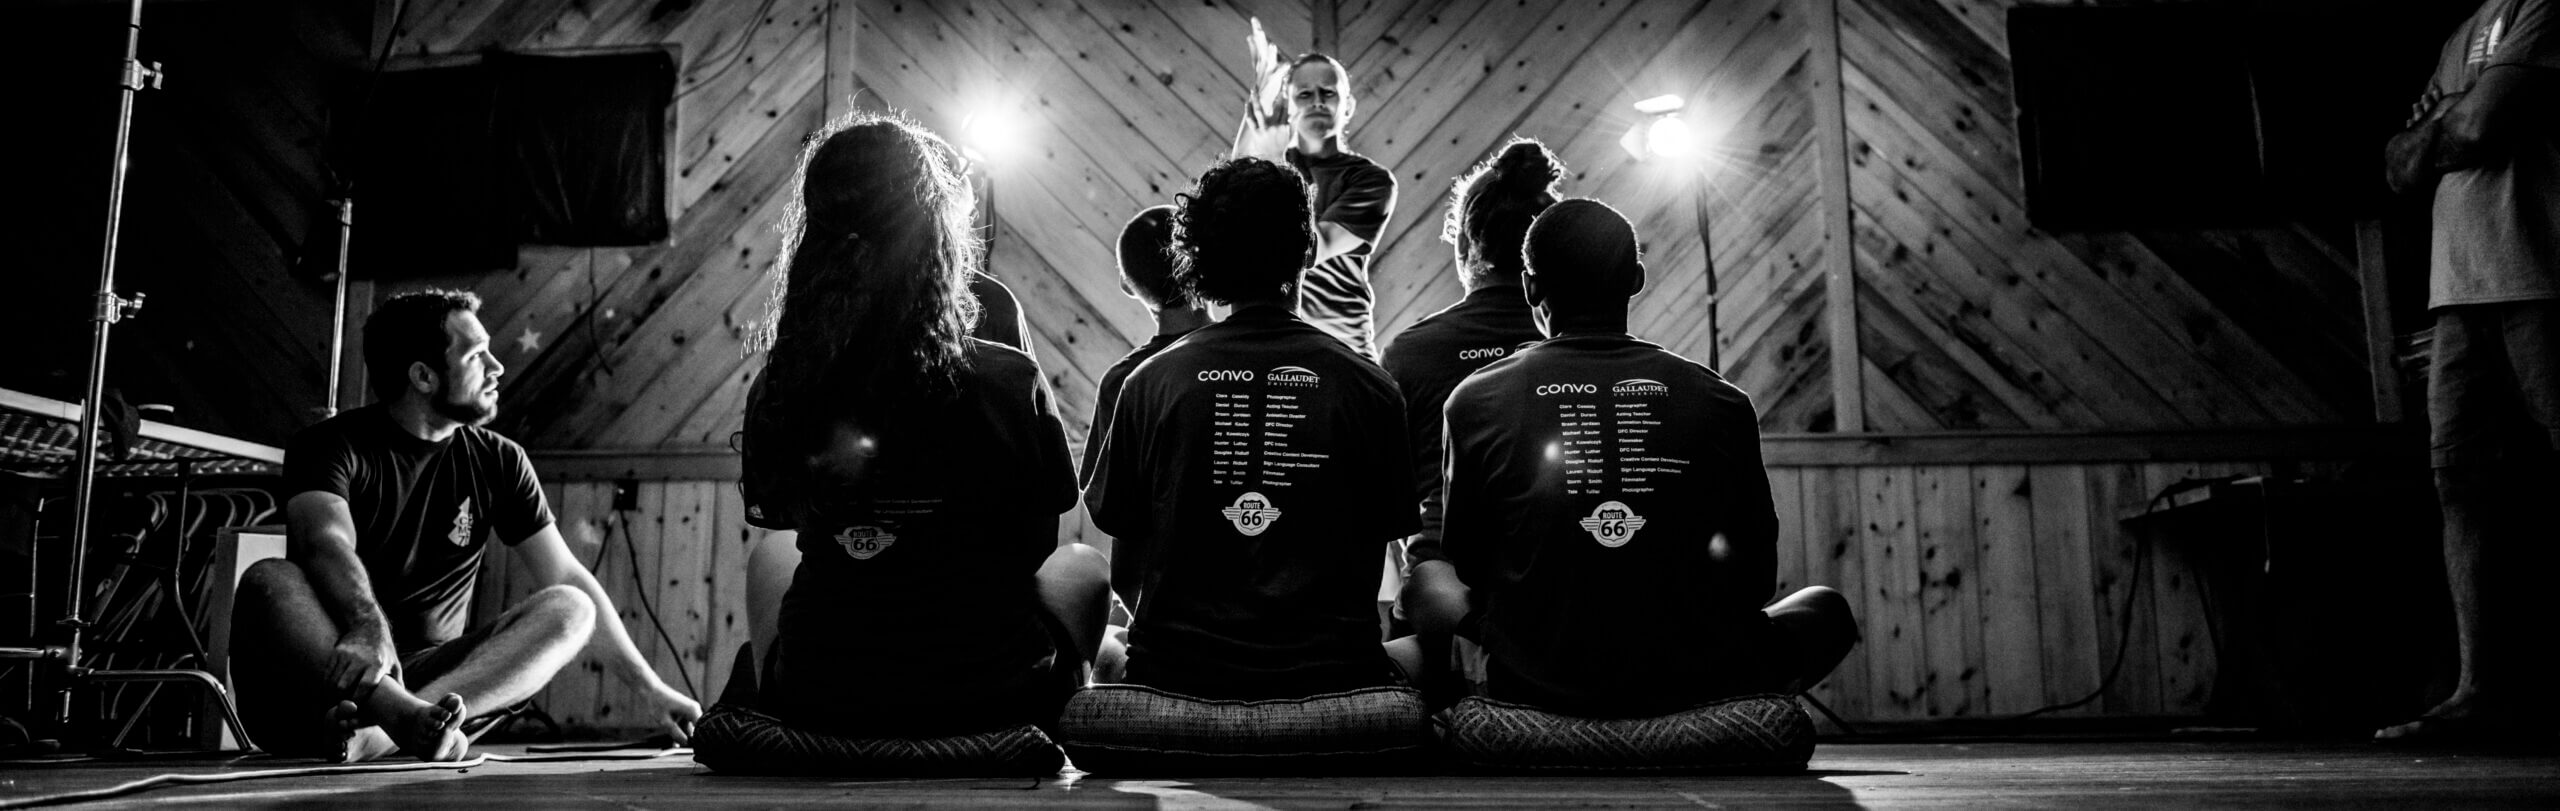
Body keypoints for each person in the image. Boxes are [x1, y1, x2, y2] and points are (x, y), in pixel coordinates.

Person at [735, 112, 1109, 738]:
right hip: (989, 695)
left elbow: (784, 519)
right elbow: (1035, 546)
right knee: (1084, 565)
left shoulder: (781, 383)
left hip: (825, 695)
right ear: (939, 230)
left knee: (771, 555)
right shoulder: (1008, 377)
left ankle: (778, 712)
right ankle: (1048, 720)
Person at [1407, 199, 1857, 717]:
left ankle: (1521, 709)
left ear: (1530, 286)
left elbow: (1469, 566)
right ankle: (1706, 711)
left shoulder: (1473, 399)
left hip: (1534, 678)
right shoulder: (1722, 400)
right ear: (1637, 279)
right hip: (1691, 677)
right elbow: (1755, 580)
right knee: (1825, 609)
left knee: (1428, 587)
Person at [232, 289, 701, 762]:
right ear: (423, 376)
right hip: (331, 667)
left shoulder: (500, 460)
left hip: (437, 682)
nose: (497, 368)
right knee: (269, 579)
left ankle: (403, 727)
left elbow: (565, 575)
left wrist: (652, 690)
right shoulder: (328, 444)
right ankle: (397, 719)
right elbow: (323, 541)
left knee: (572, 607)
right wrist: (366, 626)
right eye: (477, 356)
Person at [1083, 157, 1415, 700]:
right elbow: (1368, 566)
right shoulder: (1371, 387)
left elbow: (1127, 573)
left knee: (1104, 649)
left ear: (1199, 258)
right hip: (1335, 680)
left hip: (1175, 677)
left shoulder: (1146, 384)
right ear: (1310, 250)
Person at [2377, 0, 2558, 743]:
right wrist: (2458, 112)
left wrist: (2451, 116)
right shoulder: (2462, 34)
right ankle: (2476, 692)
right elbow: (2398, 166)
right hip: (2456, 292)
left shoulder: (2545, 8)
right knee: (2461, 484)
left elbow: (2479, 127)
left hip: (2543, 276)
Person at [1237, 53, 1397, 359]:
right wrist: (1265, 88)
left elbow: (1308, 250)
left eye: (1328, 92)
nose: (1317, 102)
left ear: (1348, 105)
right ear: (1288, 105)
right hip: (1271, 346)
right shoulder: (1271, 160)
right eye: (1304, 94)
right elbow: (1230, 206)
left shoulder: (1371, 180)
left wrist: (1273, 161)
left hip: (1343, 350)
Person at [1080, 205, 1210, 488]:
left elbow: (1099, 495)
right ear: (1206, 268)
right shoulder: (1246, 357)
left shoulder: (1121, 382)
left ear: (1127, 286)